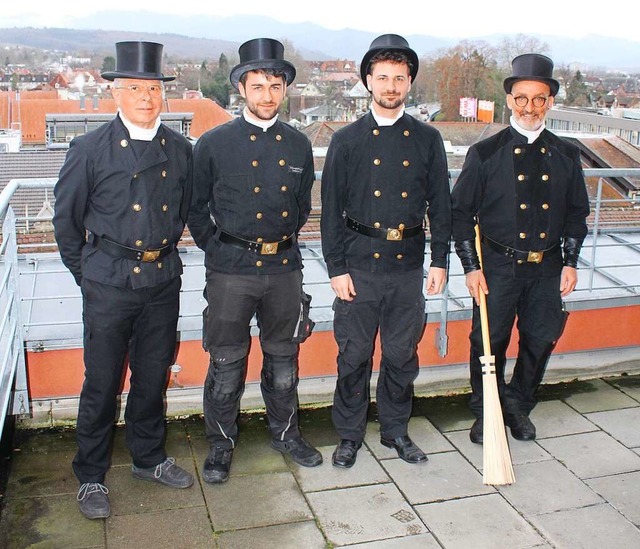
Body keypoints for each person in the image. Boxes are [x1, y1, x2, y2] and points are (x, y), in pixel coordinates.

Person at [53, 41, 194, 520]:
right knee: (102, 381)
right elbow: (66, 223)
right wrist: (89, 277)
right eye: (133, 87)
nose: (145, 97)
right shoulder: (88, 149)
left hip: (161, 282)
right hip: (108, 284)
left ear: (163, 93)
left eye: (152, 88)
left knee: (153, 377)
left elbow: (190, 211)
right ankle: (90, 474)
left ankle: (148, 457)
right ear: (114, 91)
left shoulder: (180, 150)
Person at [188, 37, 322, 484]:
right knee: (226, 365)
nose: (268, 95)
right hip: (230, 272)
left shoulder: (299, 145)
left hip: (283, 269)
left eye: (275, 86)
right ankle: (221, 445)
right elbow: (195, 206)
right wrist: (219, 248)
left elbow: (302, 207)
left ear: (285, 90)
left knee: (283, 362)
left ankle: (286, 434)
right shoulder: (212, 143)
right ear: (241, 89)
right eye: (258, 85)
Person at [320, 34, 452, 468]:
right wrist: (336, 267)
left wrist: (439, 260)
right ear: (368, 82)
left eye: (400, 77)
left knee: (400, 354)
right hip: (357, 265)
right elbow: (331, 210)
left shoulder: (427, 138)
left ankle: (396, 431)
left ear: (410, 82)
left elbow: (441, 204)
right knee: (354, 355)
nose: (391, 86)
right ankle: (349, 435)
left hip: (407, 266)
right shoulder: (347, 139)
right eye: (383, 77)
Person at [451, 53, 590, 444]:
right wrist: (470, 266)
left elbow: (578, 213)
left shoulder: (566, 154)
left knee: (540, 339)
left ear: (549, 102)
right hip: (497, 267)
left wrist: (571, 262)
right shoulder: (486, 153)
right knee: (488, 343)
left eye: (539, 98)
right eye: (522, 98)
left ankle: (517, 405)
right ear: (510, 99)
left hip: (547, 267)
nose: (530, 107)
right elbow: (460, 214)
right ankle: (486, 410)